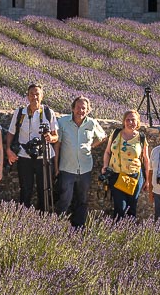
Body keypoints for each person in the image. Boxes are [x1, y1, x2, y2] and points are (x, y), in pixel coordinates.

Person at [53, 95, 107, 227]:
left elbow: (103, 137)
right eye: (78, 107)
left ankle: (78, 228)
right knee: (64, 199)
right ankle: (58, 226)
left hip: (85, 168)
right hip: (67, 168)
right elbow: (57, 145)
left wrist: (90, 146)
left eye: (84, 108)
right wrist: (55, 166)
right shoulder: (63, 122)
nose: (80, 111)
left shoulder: (92, 123)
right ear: (73, 108)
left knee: (82, 200)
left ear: (88, 110)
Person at [5, 83, 59, 211]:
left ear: (42, 96)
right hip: (24, 156)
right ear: (27, 96)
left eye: (37, 94)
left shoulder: (48, 112)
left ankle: (43, 218)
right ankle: (23, 219)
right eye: (31, 94)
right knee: (25, 189)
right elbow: (11, 133)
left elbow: (56, 136)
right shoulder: (20, 113)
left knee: (44, 190)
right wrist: (8, 149)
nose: (34, 97)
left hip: (44, 156)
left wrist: (50, 138)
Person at [101, 109, 152, 219]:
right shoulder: (115, 134)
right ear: (124, 121)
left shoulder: (141, 138)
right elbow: (107, 152)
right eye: (127, 120)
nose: (130, 122)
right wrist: (105, 166)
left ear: (138, 122)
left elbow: (146, 159)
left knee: (131, 208)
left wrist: (148, 180)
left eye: (133, 120)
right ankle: (118, 232)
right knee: (120, 208)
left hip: (133, 177)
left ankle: (128, 233)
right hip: (116, 175)